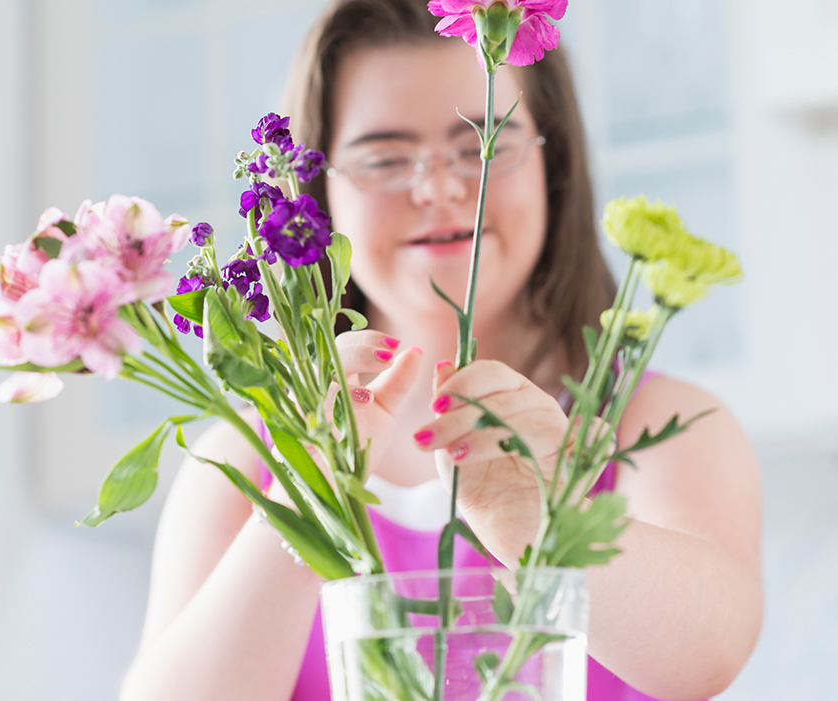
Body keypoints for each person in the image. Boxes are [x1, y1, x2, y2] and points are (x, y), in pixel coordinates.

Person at [120, 1, 763, 699]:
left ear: (556, 164)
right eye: (384, 158)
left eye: (483, 143)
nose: (441, 188)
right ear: (315, 191)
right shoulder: (248, 456)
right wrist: (310, 496)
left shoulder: (658, 423)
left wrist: (541, 526)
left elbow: (706, 656)